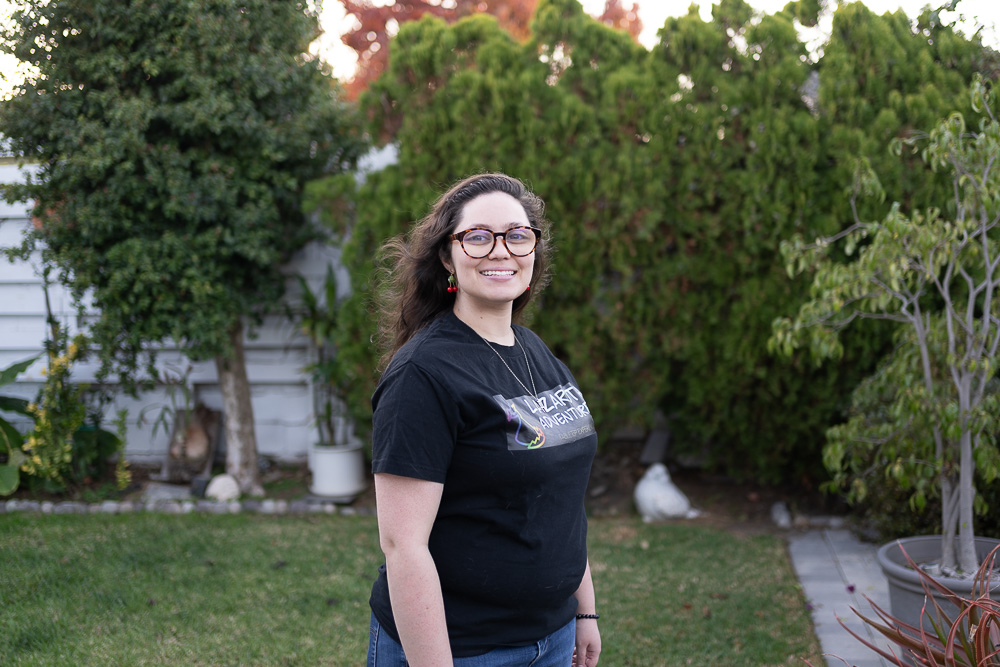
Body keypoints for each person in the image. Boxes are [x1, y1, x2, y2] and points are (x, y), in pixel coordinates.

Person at [366, 173, 601, 667]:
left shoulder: (534, 351)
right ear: (447, 257)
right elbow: (402, 545)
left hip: (553, 636)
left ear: (533, 251)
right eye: (477, 237)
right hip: (465, 649)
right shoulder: (423, 375)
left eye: (517, 235)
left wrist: (584, 612)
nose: (501, 251)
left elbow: (560, 496)